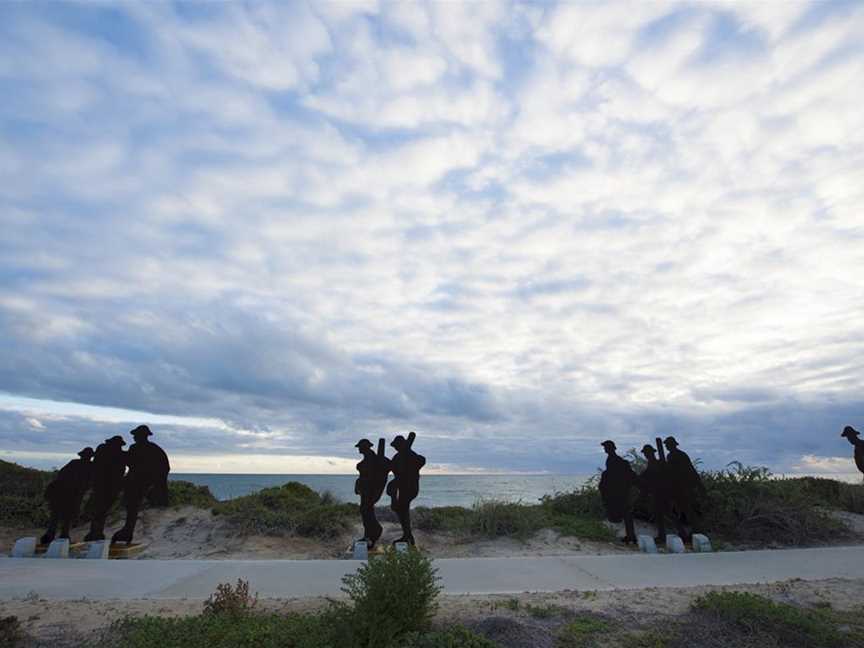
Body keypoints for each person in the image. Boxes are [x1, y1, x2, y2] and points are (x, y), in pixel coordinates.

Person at [111, 425, 171, 544]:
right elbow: (164, 467)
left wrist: (154, 484)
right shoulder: (153, 449)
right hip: (136, 483)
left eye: (136, 435)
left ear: (141, 436)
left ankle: (127, 532)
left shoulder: (147, 449)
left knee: (132, 507)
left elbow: (164, 468)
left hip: (139, 483)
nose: (134, 437)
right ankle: (127, 532)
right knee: (131, 508)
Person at [40, 447, 95, 545]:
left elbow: (61, 474)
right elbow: (89, 483)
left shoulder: (74, 463)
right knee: (67, 516)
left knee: (56, 515)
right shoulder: (90, 466)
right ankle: (62, 536)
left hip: (63, 492)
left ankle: (52, 535)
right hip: (72, 494)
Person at [84, 435, 128, 542]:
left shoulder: (103, 451)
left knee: (99, 510)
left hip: (103, 486)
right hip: (108, 487)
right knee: (101, 510)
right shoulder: (118, 455)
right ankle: (96, 533)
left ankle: (95, 532)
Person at [663, 436, 705, 542]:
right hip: (677, 488)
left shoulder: (679, 455)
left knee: (686, 510)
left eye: (668, 444)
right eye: (666, 445)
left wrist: (698, 485)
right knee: (679, 511)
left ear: (672, 445)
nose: (667, 446)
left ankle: (694, 532)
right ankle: (687, 533)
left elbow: (689, 470)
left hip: (682, 488)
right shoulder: (672, 455)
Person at [387, 432, 425, 545]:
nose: (395, 448)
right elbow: (391, 466)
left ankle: (408, 537)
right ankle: (407, 536)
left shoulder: (410, 454)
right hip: (400, 487)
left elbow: (421, 461)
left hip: (410, 488)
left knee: (402, 509)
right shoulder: (397, 456)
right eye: (394, 447)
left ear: (401, 445)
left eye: (396, 446)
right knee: (400, 510)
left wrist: (408, 454)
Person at [354, 438, 391, 548]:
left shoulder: (375, 459)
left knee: (367, 511)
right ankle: (367, 535)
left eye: (360, 447)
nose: (359, 449)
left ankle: (375, 532)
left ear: (365, 447)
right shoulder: (368, 459)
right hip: (364, 490)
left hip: (370, 491)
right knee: (365, 511)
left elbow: (385, 468)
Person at [598, 440, 637, 544]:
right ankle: (630, 535)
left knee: (626, 513)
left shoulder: (615, 460)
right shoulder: (613, 459)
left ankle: (631, 536)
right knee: (626, 513)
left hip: (620, 491)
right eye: (605, 447)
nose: (605, 449)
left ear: (611, 448)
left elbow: (618, 475)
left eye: (606, 447)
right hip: (620, 490)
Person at [637, 444, 669, 544]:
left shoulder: (657, 463)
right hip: (657, 492)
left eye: (647, 453)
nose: (646, 455)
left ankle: (663, 536)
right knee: (661, 514)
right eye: (645, 453)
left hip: (660, 492)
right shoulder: (653, 463)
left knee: (663, 514)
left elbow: (650, 475)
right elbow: (646, 475)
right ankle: (662, 535)